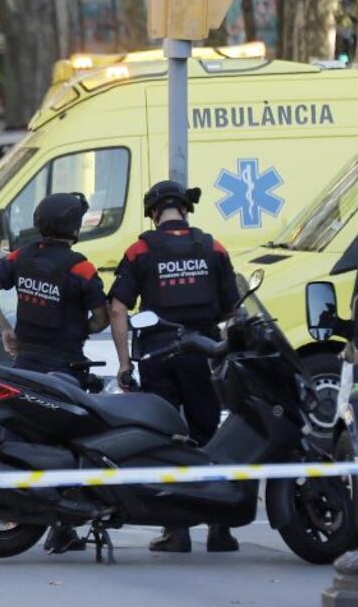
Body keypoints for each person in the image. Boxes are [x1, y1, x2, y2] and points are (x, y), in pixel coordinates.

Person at [107, 180, 241, 554]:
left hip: (158, 356)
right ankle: (220, 529)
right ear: (185, 209)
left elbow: (117, 308)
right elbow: (234, 308)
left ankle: (176, 530)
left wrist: (123, 364)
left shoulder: (140, 250)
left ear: (153, 213)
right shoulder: (213, 247)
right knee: (209, 437)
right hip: (204, 353)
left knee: (165, 440)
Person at [0, 192, 109, 553]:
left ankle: (30, 514)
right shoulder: (80, 268)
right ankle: (63, 528)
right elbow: (101, 318)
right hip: (65, 370)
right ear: (74, 228)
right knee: (71, 446)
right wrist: (80, 327)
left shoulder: (21, 257)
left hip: (25, 366)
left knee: (24, 437)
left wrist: (6, 329)